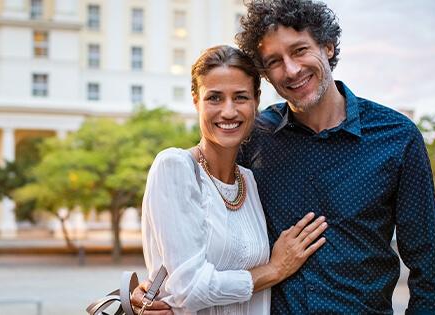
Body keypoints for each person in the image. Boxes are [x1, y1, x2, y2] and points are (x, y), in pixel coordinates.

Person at [135, 0, 435, 314]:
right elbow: (201, 220)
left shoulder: (396, 137)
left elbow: (430, 274)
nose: (291, 69)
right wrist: (156, 289)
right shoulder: (253, 138)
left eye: (299, 50)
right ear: (265, 75)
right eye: (273, 61)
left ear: (327, 46)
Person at [140, 45, 328, 314]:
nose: (228, 112)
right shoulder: (175, 167)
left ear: (256, 101)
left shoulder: (250, 181)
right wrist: (274, 269)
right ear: (196, 100)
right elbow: (190, 288)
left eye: (240, 97)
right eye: (214, 98)